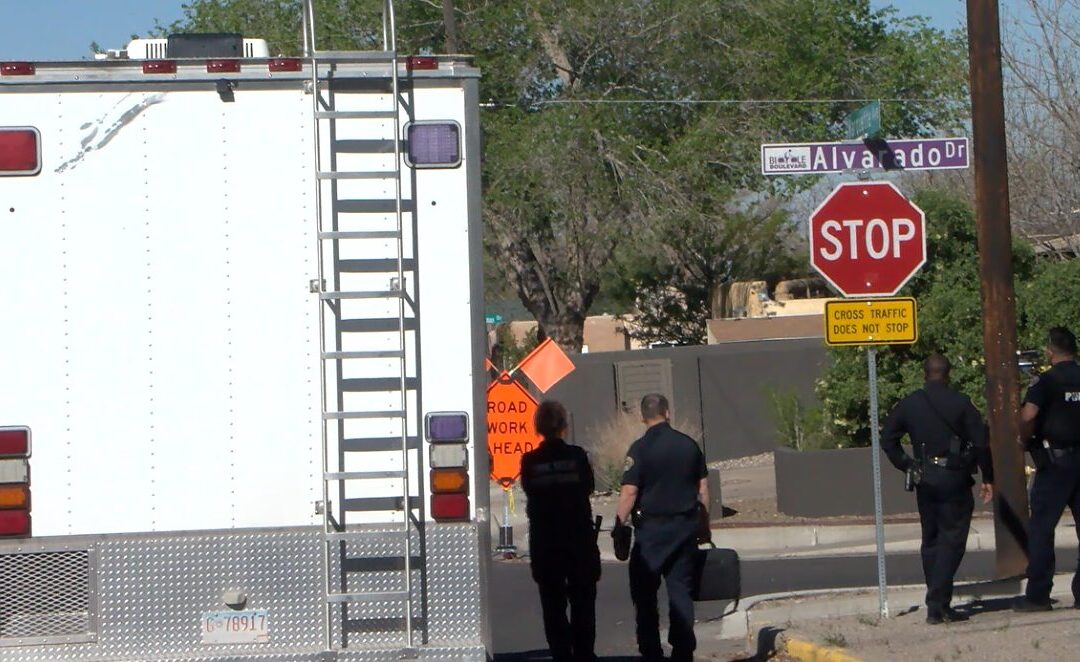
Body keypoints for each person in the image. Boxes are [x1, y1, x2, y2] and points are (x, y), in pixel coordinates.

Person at [881, 353, 993, 625]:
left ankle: (938, 603)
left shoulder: (911, 403)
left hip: (924, 477)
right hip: (954, 476)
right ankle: (937, 603)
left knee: (931, 540)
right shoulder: (962, 403)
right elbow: (980, 443)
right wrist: (989, 478)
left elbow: (888, 438)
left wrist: (906, 465)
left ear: (924, 374)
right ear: (948, 374)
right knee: (952, 540)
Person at [614, 393, 708, 662]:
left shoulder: (639, 450)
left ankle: (651, 650)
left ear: (643, 418)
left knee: (644, 596)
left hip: (651, 534)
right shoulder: (689, 446)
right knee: (681, 592)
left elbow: (629, 493)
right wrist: (705, 527)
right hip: (684, 529)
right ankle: (683, 649)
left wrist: (619, 524)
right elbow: (703, 489)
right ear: (668, 413)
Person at [520, 400, 600, 661]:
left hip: (546, 541)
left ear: (538, 427)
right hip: (578, 538)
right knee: (583, 600)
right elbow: (588, 487)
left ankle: (561, 653)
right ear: (564, 426)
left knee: (552, 604)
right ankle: (584, 653)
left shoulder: (530, 461)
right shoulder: (577, 456)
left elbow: (531, 492)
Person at [1014, 327, 1080, 612]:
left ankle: (1039, 595)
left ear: (1050, 351)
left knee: (1041, 529)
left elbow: (1029, 414)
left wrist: (1022, 436)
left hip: (1055, 463)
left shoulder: (1046, 381)